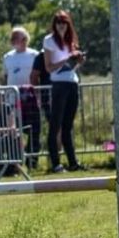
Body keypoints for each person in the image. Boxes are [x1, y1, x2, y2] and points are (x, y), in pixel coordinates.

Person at [42, 10, 85, 173]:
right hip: (58, 85)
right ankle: (56, 163)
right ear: (54, 24)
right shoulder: (49, 41)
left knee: (68, 126)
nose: (61, 26)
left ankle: (73, 162)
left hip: (72, 83)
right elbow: (49, 67)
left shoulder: (71, 41)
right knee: (55, 126)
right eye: (58, 23)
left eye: (64, 23)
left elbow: (72, 68)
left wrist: (79, 61)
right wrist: (66, 59)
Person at [1, 27, 40, 169]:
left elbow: (38, 76)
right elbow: (5, 77)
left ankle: (32, 162)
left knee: (34, 131)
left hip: (30, 100)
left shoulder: (34, 55)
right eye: (17, 38)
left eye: (24, 38)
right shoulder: (7, 57)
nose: (21, 41)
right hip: (12, 101)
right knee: (13, 132)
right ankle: (15, 164)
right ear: (13, 41)